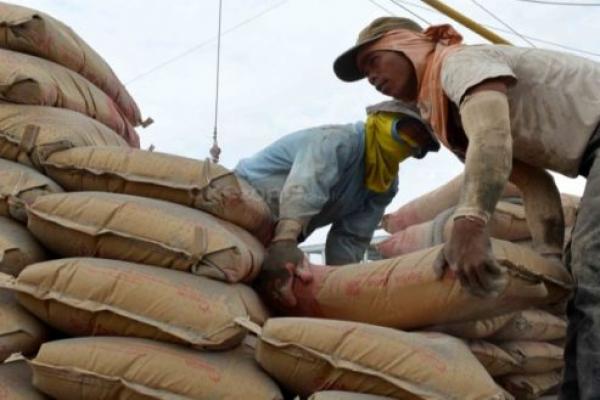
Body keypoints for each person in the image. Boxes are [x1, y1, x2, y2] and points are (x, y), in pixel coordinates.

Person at [333, 16, 600, 399]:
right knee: (581, 280)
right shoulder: (448, 114)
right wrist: (548, 258)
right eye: (364, 72)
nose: (371, 76)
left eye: (373, 60)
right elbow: (533, 182)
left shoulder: (458, 64)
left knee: (593, 267)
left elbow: (492, 138)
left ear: (409, 43)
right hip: (593, 158)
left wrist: (470, 223)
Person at [235, 100, 438, 308]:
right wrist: (285, 239)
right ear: (384, 119)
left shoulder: (384, 184)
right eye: (408, 131)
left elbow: (351, 238)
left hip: (278, 231)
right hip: (246, 197)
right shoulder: (337, 141)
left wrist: (340, 286)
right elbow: (305, 188)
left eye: (419, 143)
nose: (411, 143)